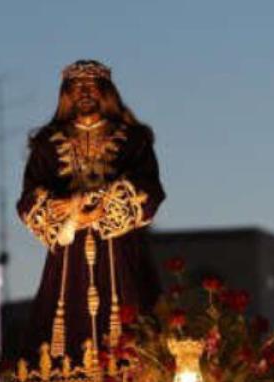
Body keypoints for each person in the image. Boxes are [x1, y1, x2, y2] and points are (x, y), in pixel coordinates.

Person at [17, 60, 166, 364]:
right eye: (76, 87)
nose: (84, 92)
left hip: (120, 249)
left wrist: (90, 202)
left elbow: (149, 189)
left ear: (105, 91)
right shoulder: (47, 144)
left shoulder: (133, 140)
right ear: (66, 94)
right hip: (68, 255)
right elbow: (29, 199)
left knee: (131, 320)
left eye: (91, 85)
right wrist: (70, 216)